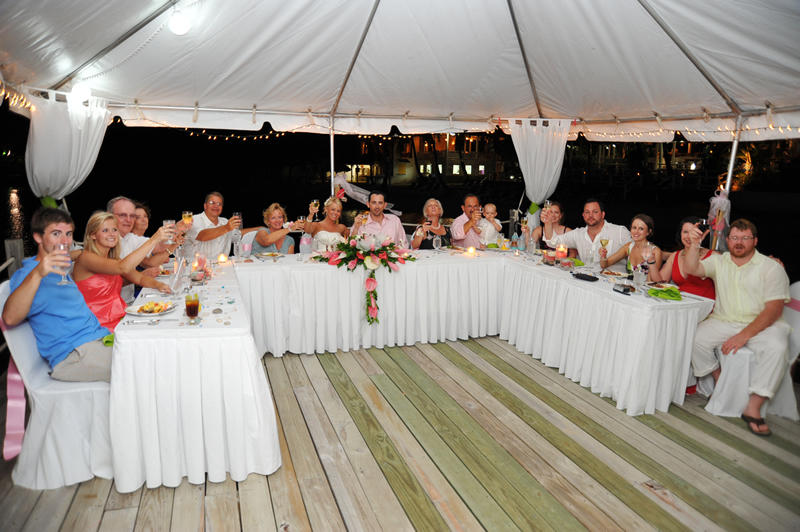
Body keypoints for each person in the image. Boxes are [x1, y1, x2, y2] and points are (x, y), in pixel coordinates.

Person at [684, 219, 791, 436]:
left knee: (778, 347)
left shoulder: (771, 267)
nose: (739, 242)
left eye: (745, 238)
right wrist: (694, 245)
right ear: (728, 240)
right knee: (695, 339)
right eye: (734, 238)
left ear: (755, 241)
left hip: (763, 324)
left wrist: (744, 335)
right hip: (724, 320)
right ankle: (719, 379)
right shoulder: (719, 261)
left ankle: (754, 406)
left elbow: (774, 309)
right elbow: (692, 268)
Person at [2, 208, 112, 382]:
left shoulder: (59, 269)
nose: (65, 241)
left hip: (98, 341)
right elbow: (9, 318)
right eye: (56, 234)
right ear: (38, 237)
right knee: (140, 366)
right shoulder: (28, 274)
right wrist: (38, 273)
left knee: (149, 351)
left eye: (68, 234)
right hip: (74, 356)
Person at [73, 212, 173, 331]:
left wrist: (159, 285)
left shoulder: (114, 260)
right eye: (105, 230)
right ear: (93, 235)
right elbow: (123, 267)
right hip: (96, 326)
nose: (112, 234)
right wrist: (154, 239)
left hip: (119, 320)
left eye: (114, 230)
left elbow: (140, 278)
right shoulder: (85, 258)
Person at [108, 196, 179, 302]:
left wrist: (179, 229)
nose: (128, 220)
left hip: (129, 301)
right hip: (113, 306)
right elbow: (111, 281)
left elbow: (158, 246)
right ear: (108, 216)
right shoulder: (104, 243)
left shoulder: (129, 237)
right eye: (122, 215)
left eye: (132, 216)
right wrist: (156, 238)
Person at [542, 198, 630, 268]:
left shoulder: (619, 232)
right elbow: (552, 241)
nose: (590, 215)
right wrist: (548, 222)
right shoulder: (578, 234)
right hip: (586, 281)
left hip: (613, 281)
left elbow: (635, 248)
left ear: (602, 214)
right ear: (583, 215)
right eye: (587, 212)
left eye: (595, 212)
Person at [656, 216, 716, 299]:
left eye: (692, 232)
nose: (689, 236)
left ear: (701, 234)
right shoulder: (675, 256)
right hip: (682, 304)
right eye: (685, 232)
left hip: (706, 305)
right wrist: (652, 262)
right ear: (680, 234)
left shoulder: (713, 256)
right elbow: (660, 283)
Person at [599, 213, 663, 279]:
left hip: (646, 285)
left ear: (648, 232)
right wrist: (603, 256)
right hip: (629, 285)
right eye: (634, 228)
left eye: (641, 229)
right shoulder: (628, 247)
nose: (636, 232)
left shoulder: (655, 252)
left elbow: (653, 280)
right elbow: (605, 265)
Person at [186, 191, 242, 258]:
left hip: (222, 263)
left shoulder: (225, 222)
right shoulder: (193, 220)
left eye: (219, 204)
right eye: (212, 203)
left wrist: (254, 229)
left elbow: (238, 234)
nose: (216, 206)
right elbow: (202, 236)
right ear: (205, 206)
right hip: (195, 263)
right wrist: (226, 228)